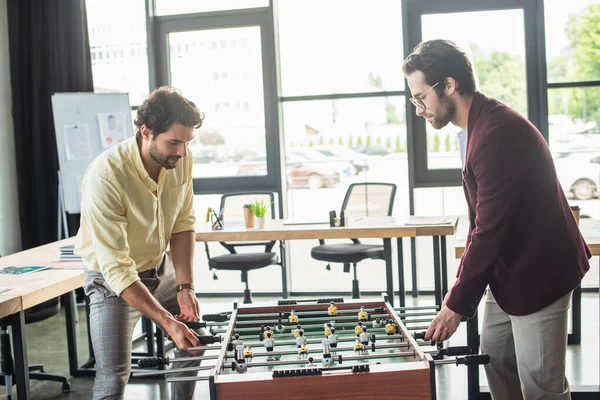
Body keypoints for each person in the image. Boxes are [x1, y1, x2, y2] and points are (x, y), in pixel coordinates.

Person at [402, 40, 590, 400]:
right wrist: (456, 294)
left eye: (420, 97)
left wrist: (455, 305)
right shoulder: (474, 127)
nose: (418, 109)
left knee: (540, 385)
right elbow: (480, 223)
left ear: (449, 85)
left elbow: (489, 229)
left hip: (540, 271)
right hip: (511, 265)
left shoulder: (495, 132)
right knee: (498, 355)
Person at [76, 86, 205, 400]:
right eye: (174, 142)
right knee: (113, 377)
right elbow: (117, 269)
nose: (182, 152)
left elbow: (183, 223)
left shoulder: (180, 160)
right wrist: (165, 321)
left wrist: (185, 286)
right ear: (146, 132)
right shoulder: (107, 176)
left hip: (159, 267)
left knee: (194, 342)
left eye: (187, 142)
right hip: (113, 282)